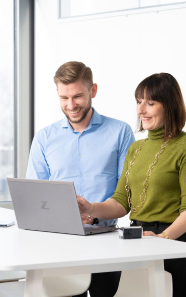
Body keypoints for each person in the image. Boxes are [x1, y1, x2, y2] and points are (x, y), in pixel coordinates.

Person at [77, 73, 186, 297]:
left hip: (176, 242)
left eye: (150, 103)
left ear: (170, 105)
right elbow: (121, 202)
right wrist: (90, 208)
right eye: (139, 102)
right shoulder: (135, 149)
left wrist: (164, 239)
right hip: (138, 240)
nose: (140, 110)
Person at [26, 61, 135, 297]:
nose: (71, 105)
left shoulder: (120, 132)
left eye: (77, 96)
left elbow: (127, 195)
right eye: (64, 98)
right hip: (60, 244)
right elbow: (35, 198)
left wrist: (93, 213)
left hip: (106, 242)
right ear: (57, 93)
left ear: (93, 91)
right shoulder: (44, 138)